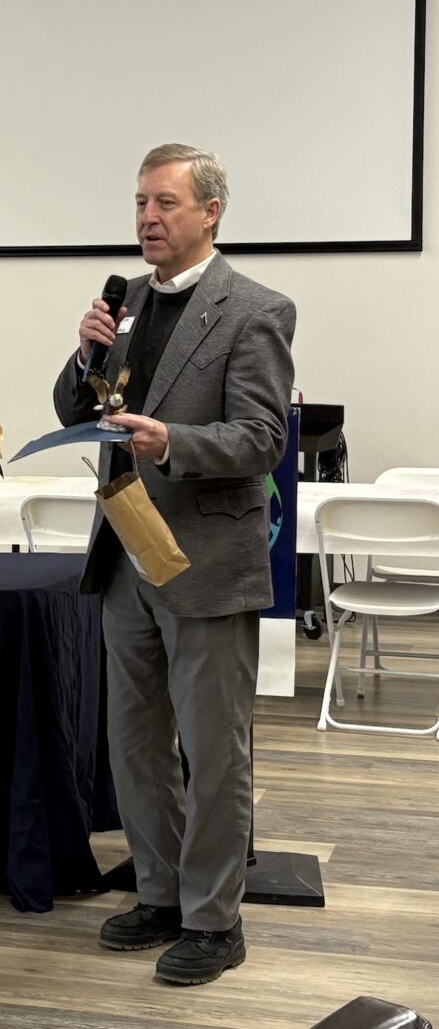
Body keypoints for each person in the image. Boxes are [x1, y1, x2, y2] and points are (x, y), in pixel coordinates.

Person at [54, 144, 295, 985]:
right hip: (125, 552)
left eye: (165, 203)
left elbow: (263, 438)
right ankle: (156, 893)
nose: (148, 219)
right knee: (135, 743)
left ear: (210, 212)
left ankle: (213, 919)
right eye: (140, 204)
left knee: (213, 745)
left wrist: (174, 442)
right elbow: (78, 409)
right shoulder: (122, 311)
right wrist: (86, 361)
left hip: (203, 556)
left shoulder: (255, 309)